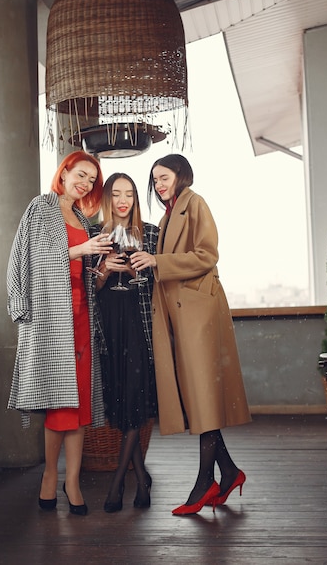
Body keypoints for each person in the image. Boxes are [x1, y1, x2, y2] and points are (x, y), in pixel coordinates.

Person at [131, 153, 251, 515]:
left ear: (181, 175)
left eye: (163, 177)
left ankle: (205, 483)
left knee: (202, 396)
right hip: (181, 315)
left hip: (198, 314)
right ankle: (227, 472)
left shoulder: (194, 203)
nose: (158, 184)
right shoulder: (170, 213)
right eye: (154, 180)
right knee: (200, 399)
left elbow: (207, 255)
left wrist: (157, 262)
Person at [7, 151, 113, 515]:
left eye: (91, 180)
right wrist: (80, 249)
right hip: (52, 319)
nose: (84, 184)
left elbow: (84, 275)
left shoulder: (83, 217)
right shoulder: (42, 207)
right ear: (64, 171)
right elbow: (32, 260)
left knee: (80, 402)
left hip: (82, 317)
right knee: (60, 402)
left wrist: (101, 269)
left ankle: (73, 481)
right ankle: (51, 476)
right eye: (80, 175)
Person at [92, 173, 158, 512]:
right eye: (116, 193)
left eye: (129, 193)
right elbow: (89, 290)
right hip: (108, 330)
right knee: (120, 401)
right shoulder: (94, 234)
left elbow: (159, 285)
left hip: (138, 328)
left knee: (133, 397)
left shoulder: (150, 234)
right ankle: (140, 476)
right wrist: (104, 271)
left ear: (135, 198)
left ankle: (119, 484)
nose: (123, 200)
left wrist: (135, 274)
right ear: (107, 198)